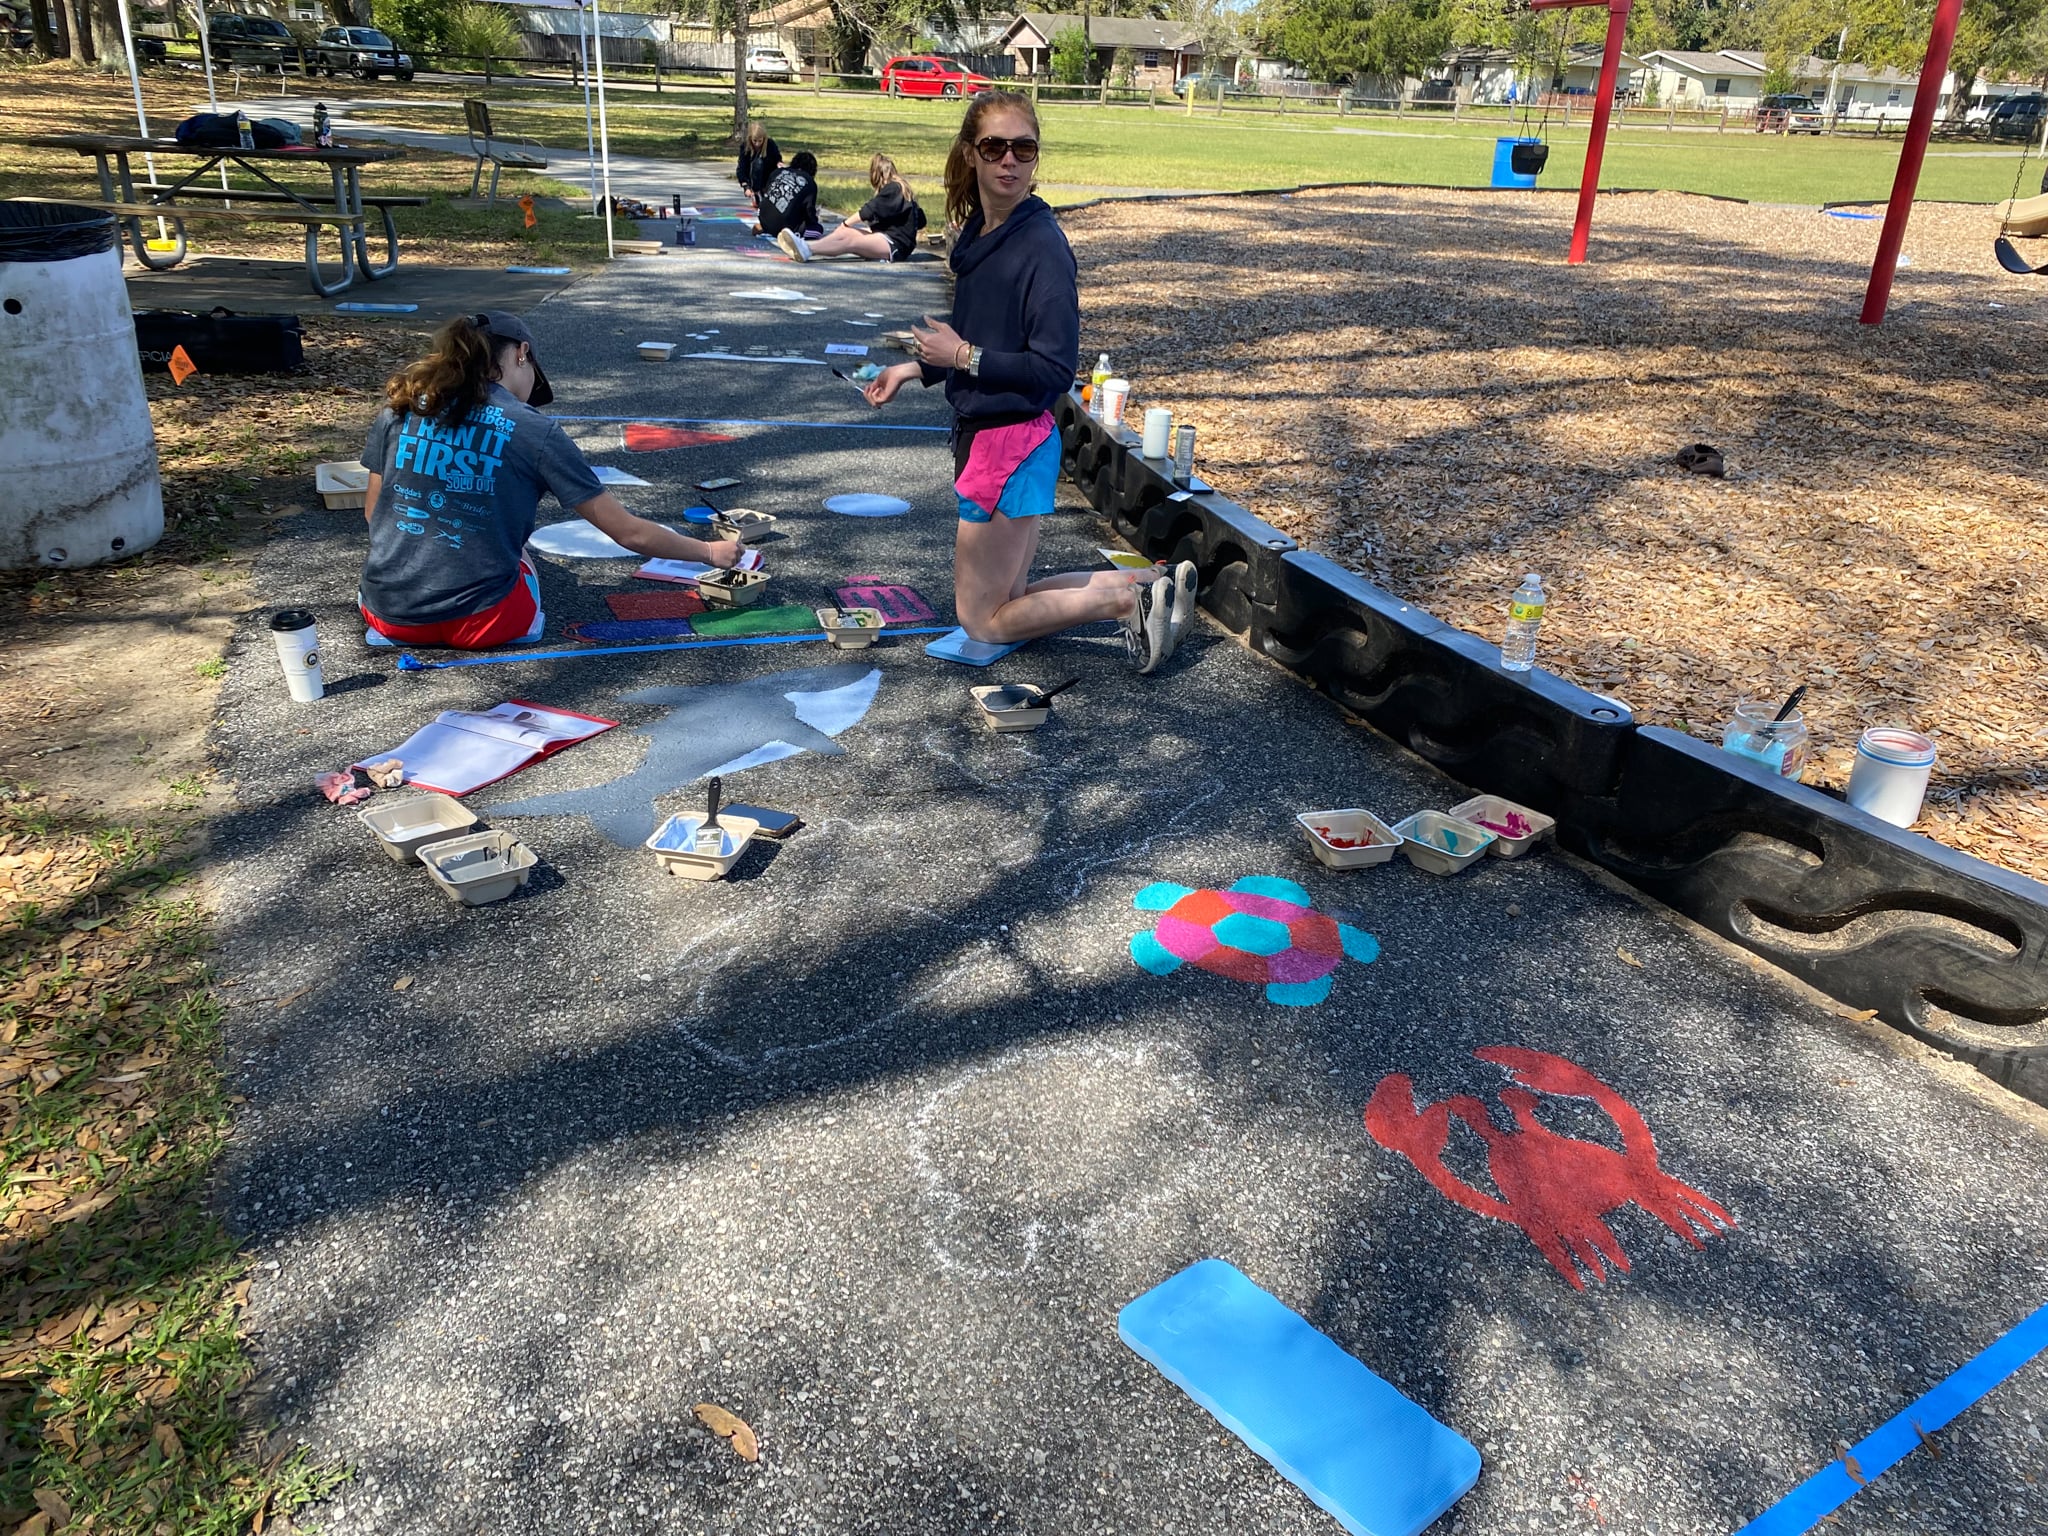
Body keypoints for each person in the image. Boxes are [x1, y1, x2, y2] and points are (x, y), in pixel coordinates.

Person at [860, 92, 1194, 672]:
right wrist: (918, 366)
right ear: (971, 154)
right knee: (1007, 600)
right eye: (994, 147)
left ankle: (1129, 599)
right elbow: (979, 338)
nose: (1008, 160)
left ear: (1036, 158)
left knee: (981, 621)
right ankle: (1155, 580)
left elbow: (1053, 368)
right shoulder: (977, 235)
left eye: (1024, 148)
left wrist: (962, 355)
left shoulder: (1041, 247)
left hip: (1008, 442)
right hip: (1003, 438)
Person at [358, 312, 740, 649]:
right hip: (486, 622)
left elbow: (375, 511)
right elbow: (629, 533)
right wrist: (709, 553)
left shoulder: (403, 407)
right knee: (518, 554)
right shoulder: (533, 429)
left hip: (390, 616)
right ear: (522, 353)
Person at [778, 152, 926, 263]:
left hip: (895, 245)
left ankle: (809, 250)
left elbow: (869, 210)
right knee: (848, 234)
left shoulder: (893, 188)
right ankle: (805, 246)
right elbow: (922, 221)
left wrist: (845, 223)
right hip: (891, 238)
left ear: (877, 175)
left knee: (851, 242)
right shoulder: (902, 189)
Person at [757, 150, 824, 242]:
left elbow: (767, 192)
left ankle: (766, 227)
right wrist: (815, 220)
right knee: (818, 230)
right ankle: (787, 234)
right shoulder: (809, 182)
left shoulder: (778, 172)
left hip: (763, 218)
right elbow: (809, 212)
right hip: (784, 226)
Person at [734, 120, 780, 205]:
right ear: (750, 138)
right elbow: (741, 168)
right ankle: (756, 193)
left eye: (760, 141)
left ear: (764, 139)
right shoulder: (745, 147)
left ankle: (766, 192)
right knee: (757, 163)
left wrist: (779, 163)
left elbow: (778, 159)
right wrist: (746, 187)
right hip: (753, 177)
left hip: (768, 176)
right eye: (754, 140)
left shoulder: (770, 145)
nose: (757, 144)